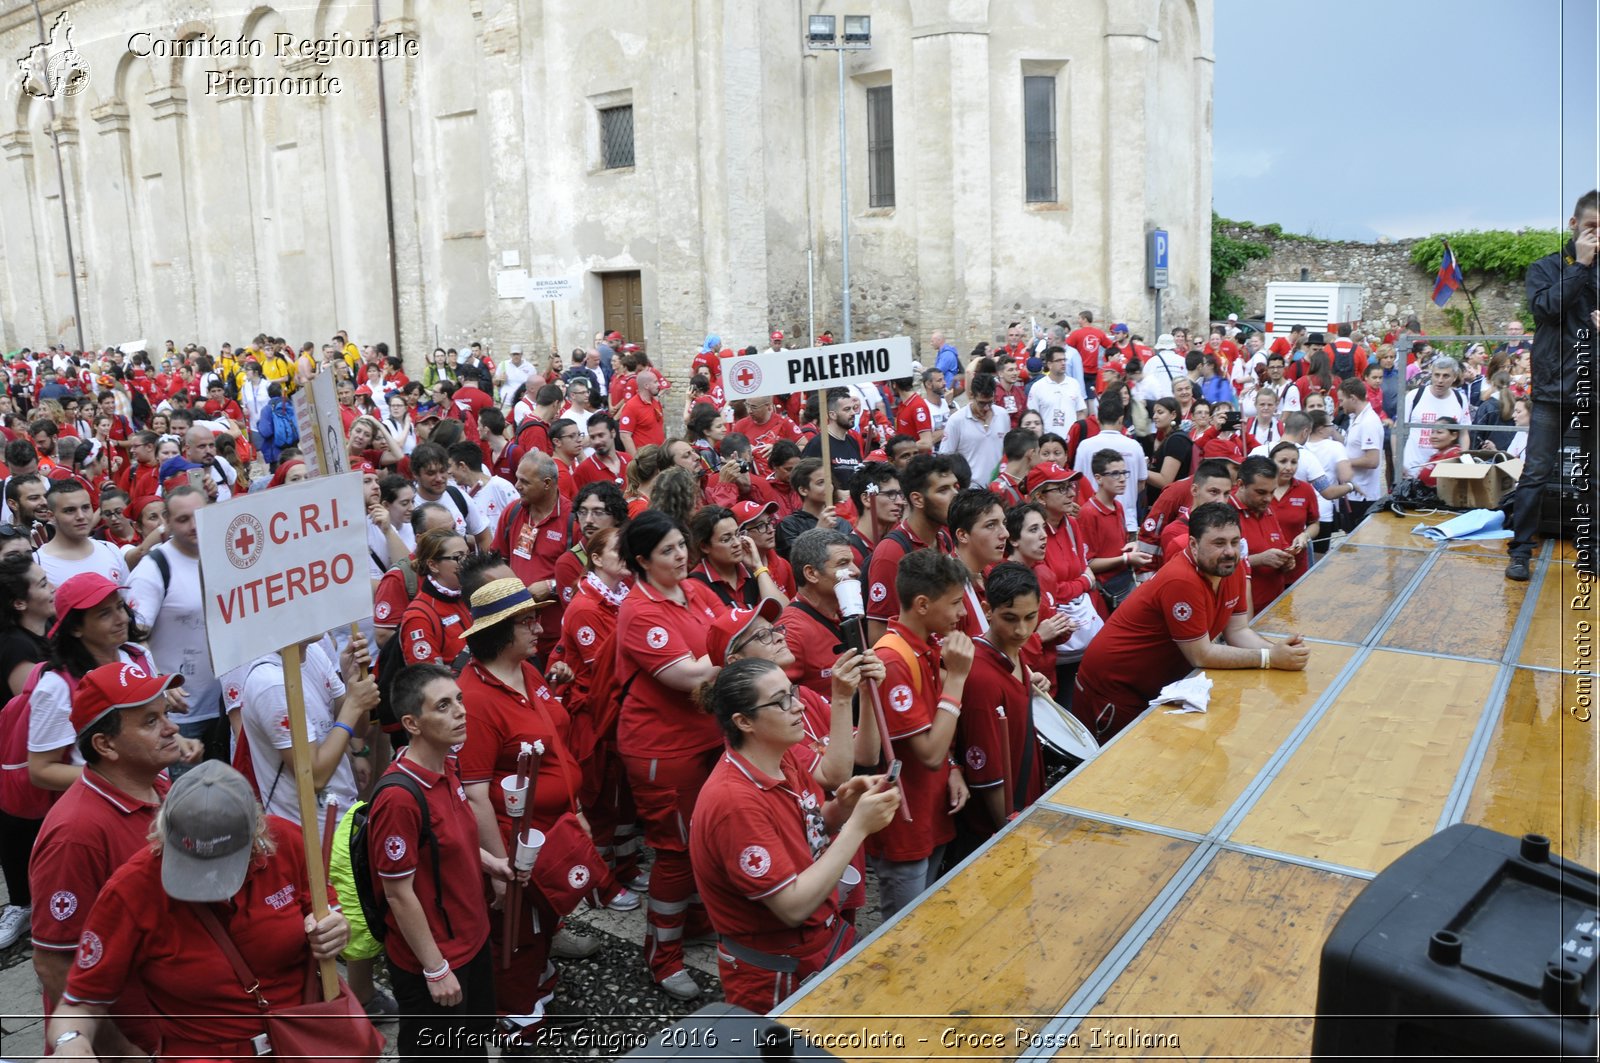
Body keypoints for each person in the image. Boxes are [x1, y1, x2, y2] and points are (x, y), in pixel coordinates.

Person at [47, 762, 352, 1063]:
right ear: (162, 833)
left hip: (307, 1043)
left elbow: (328, 913)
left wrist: (335, 929)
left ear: (258, 832)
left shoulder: (288, 842)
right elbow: (79, 1005)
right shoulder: (130, 891)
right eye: (194, 865)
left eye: (224, 865)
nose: (212, 882)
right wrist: (70, 1043)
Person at [689, 656, 898, 1013]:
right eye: (781, 700)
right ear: (744, 722)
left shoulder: (782, 757)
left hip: (818, 946)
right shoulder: (734, 803)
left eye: (793, 692)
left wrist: (843, 807)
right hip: (776, 972)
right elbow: (793, 907)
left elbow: (811, 827)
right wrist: (858, 826)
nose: (799, 705)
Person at [454, 579, 596, 1032]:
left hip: (555, 831)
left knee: (544, 918)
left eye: (537, 617)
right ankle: (516, 1011)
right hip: (516, 843)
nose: (540, 628)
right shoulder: (474, 701)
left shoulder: (528, 669)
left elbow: (552, 741)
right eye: (528, 621)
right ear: (499, 632)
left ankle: (536, 979)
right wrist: (498, 868)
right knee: (518, 929)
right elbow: (475, 793)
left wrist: (575, 809)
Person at [28, 661, 183, 1056]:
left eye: (165, 713)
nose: (172, 727)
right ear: (105, 745)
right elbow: (53, 963)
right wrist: (122, 1051)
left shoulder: (161, 786)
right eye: (151, 721)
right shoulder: (75, 834)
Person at [1073, 502, 1311, 739]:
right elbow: (1201, 654)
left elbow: (1237, 631)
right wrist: (1270, 658)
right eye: (1219, 543)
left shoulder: (1231, 567)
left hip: (1155, 685)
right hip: (1114, 688)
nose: (1230, 551)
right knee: (1119, 769)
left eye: (1235, 542)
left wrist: (1280, 652)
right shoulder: (1181, 579)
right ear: (1194, 545)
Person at [613, 511, 726, 999]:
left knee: (708, 842)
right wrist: (733, 653)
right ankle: (662, 956)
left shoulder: (695, 589)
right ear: (641, 561)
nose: (681, 555)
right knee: (676, 852)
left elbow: (729, 634)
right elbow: (687, 677)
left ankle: (695, 921)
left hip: (707, 738)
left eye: (682, 545)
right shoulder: (639, 611)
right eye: (668, 550)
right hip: (663, 748)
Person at [868, 548, 972, 917]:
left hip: (932, 814)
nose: (963, 613)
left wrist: (955, 765)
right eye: (956, 603)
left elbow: (935, 732)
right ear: (923, 604)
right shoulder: (893, 659)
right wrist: (957, 677)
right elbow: (927, 754)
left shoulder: (925, 645)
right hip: (905, 830)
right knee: (902, 933)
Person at [1507, 189, 1598, 581]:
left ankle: (1590, 549)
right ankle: (1521, 549)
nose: (1597, 236)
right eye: (1591, 227)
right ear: (1574, 225)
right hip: (1553, 389)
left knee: (1593, 476)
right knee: (1536, 471)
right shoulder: (1545, 267)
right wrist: (1579, 266)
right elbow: (1545, 309)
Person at [127, 485, 229, 766]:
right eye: (183, 519)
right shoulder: (155, 568)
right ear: (167, 523)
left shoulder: (228, 555)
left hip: (230, 706)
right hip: (182, 717)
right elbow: (131, 638)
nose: (194, 526)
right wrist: (158, 682)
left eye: (199, 515)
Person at [954, 562, 1048, 847]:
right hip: (1000, 825)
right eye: (1009, 618)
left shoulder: (1014, 653)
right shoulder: (981, 679)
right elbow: (988, 775)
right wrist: (1010, 834)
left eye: (1030, 617)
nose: (1021, 630)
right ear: (987, 610)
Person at [864, 454, 959, 644]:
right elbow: (879, 636)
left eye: (955, 487)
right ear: (917, 499)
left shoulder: (944, 538)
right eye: (943, 490)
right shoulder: (891, 552)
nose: (955, 495)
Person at [35, 480, 129, 589]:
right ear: (51, 516)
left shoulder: (111, 550)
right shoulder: (38, 563)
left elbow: (126, 600)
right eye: (70, 510)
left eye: (85, 508)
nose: (81, 516)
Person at [1230, 455, 1294, 612]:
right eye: (1261, 492)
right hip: (1242, 616)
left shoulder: (1267, 510)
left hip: (1275, 607)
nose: (1268, 499)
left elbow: (1281, 545)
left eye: (1272, 492)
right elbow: (1213, 565)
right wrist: (1258, 560)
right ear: (1241, 484)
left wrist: (1287, 559)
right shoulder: (1224, 513)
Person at [939, 373, 1010, 482]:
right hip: (970, 490)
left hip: (998, 486)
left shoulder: (1003, 415)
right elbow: (945, 458)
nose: (986, 408)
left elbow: (1007, 453)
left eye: (990, 402)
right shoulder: (956, 421)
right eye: (981, 403)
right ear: (972, 395)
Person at [1337, 379, 1386, 529]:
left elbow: (1372, 461)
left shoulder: (1368, 422)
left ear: (1353, 398)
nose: (1340, 405)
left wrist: (1344, 463)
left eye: (1342, 400)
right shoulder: (1356, 418)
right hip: (1352, 492)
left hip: (1362, 495)